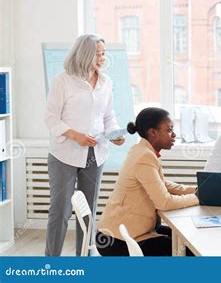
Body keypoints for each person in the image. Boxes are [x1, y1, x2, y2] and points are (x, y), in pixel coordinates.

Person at [44, 34, 125, 256]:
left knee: (87, 212)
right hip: (64, 154)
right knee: (61, 210)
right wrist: (74, 135)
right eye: (97, 53)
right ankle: (51, 264)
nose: (101, 58)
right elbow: (50, 118)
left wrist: (114, 134)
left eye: (103, 53)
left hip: (95, 154)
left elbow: (109, 116)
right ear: (84, 54)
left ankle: (84, 263)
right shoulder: (63, 80)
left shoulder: (106, 81)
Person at [96, 108, 199, 256]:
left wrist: (196, 190)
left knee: (185, 238)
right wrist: (198, 198)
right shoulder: (144, 156)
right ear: (153, 132)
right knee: (189, 250)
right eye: (169, 130)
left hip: (126, 232)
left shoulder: (141, 150)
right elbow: (165, 202)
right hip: (117, 241)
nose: (174, 135)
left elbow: (161, 184)